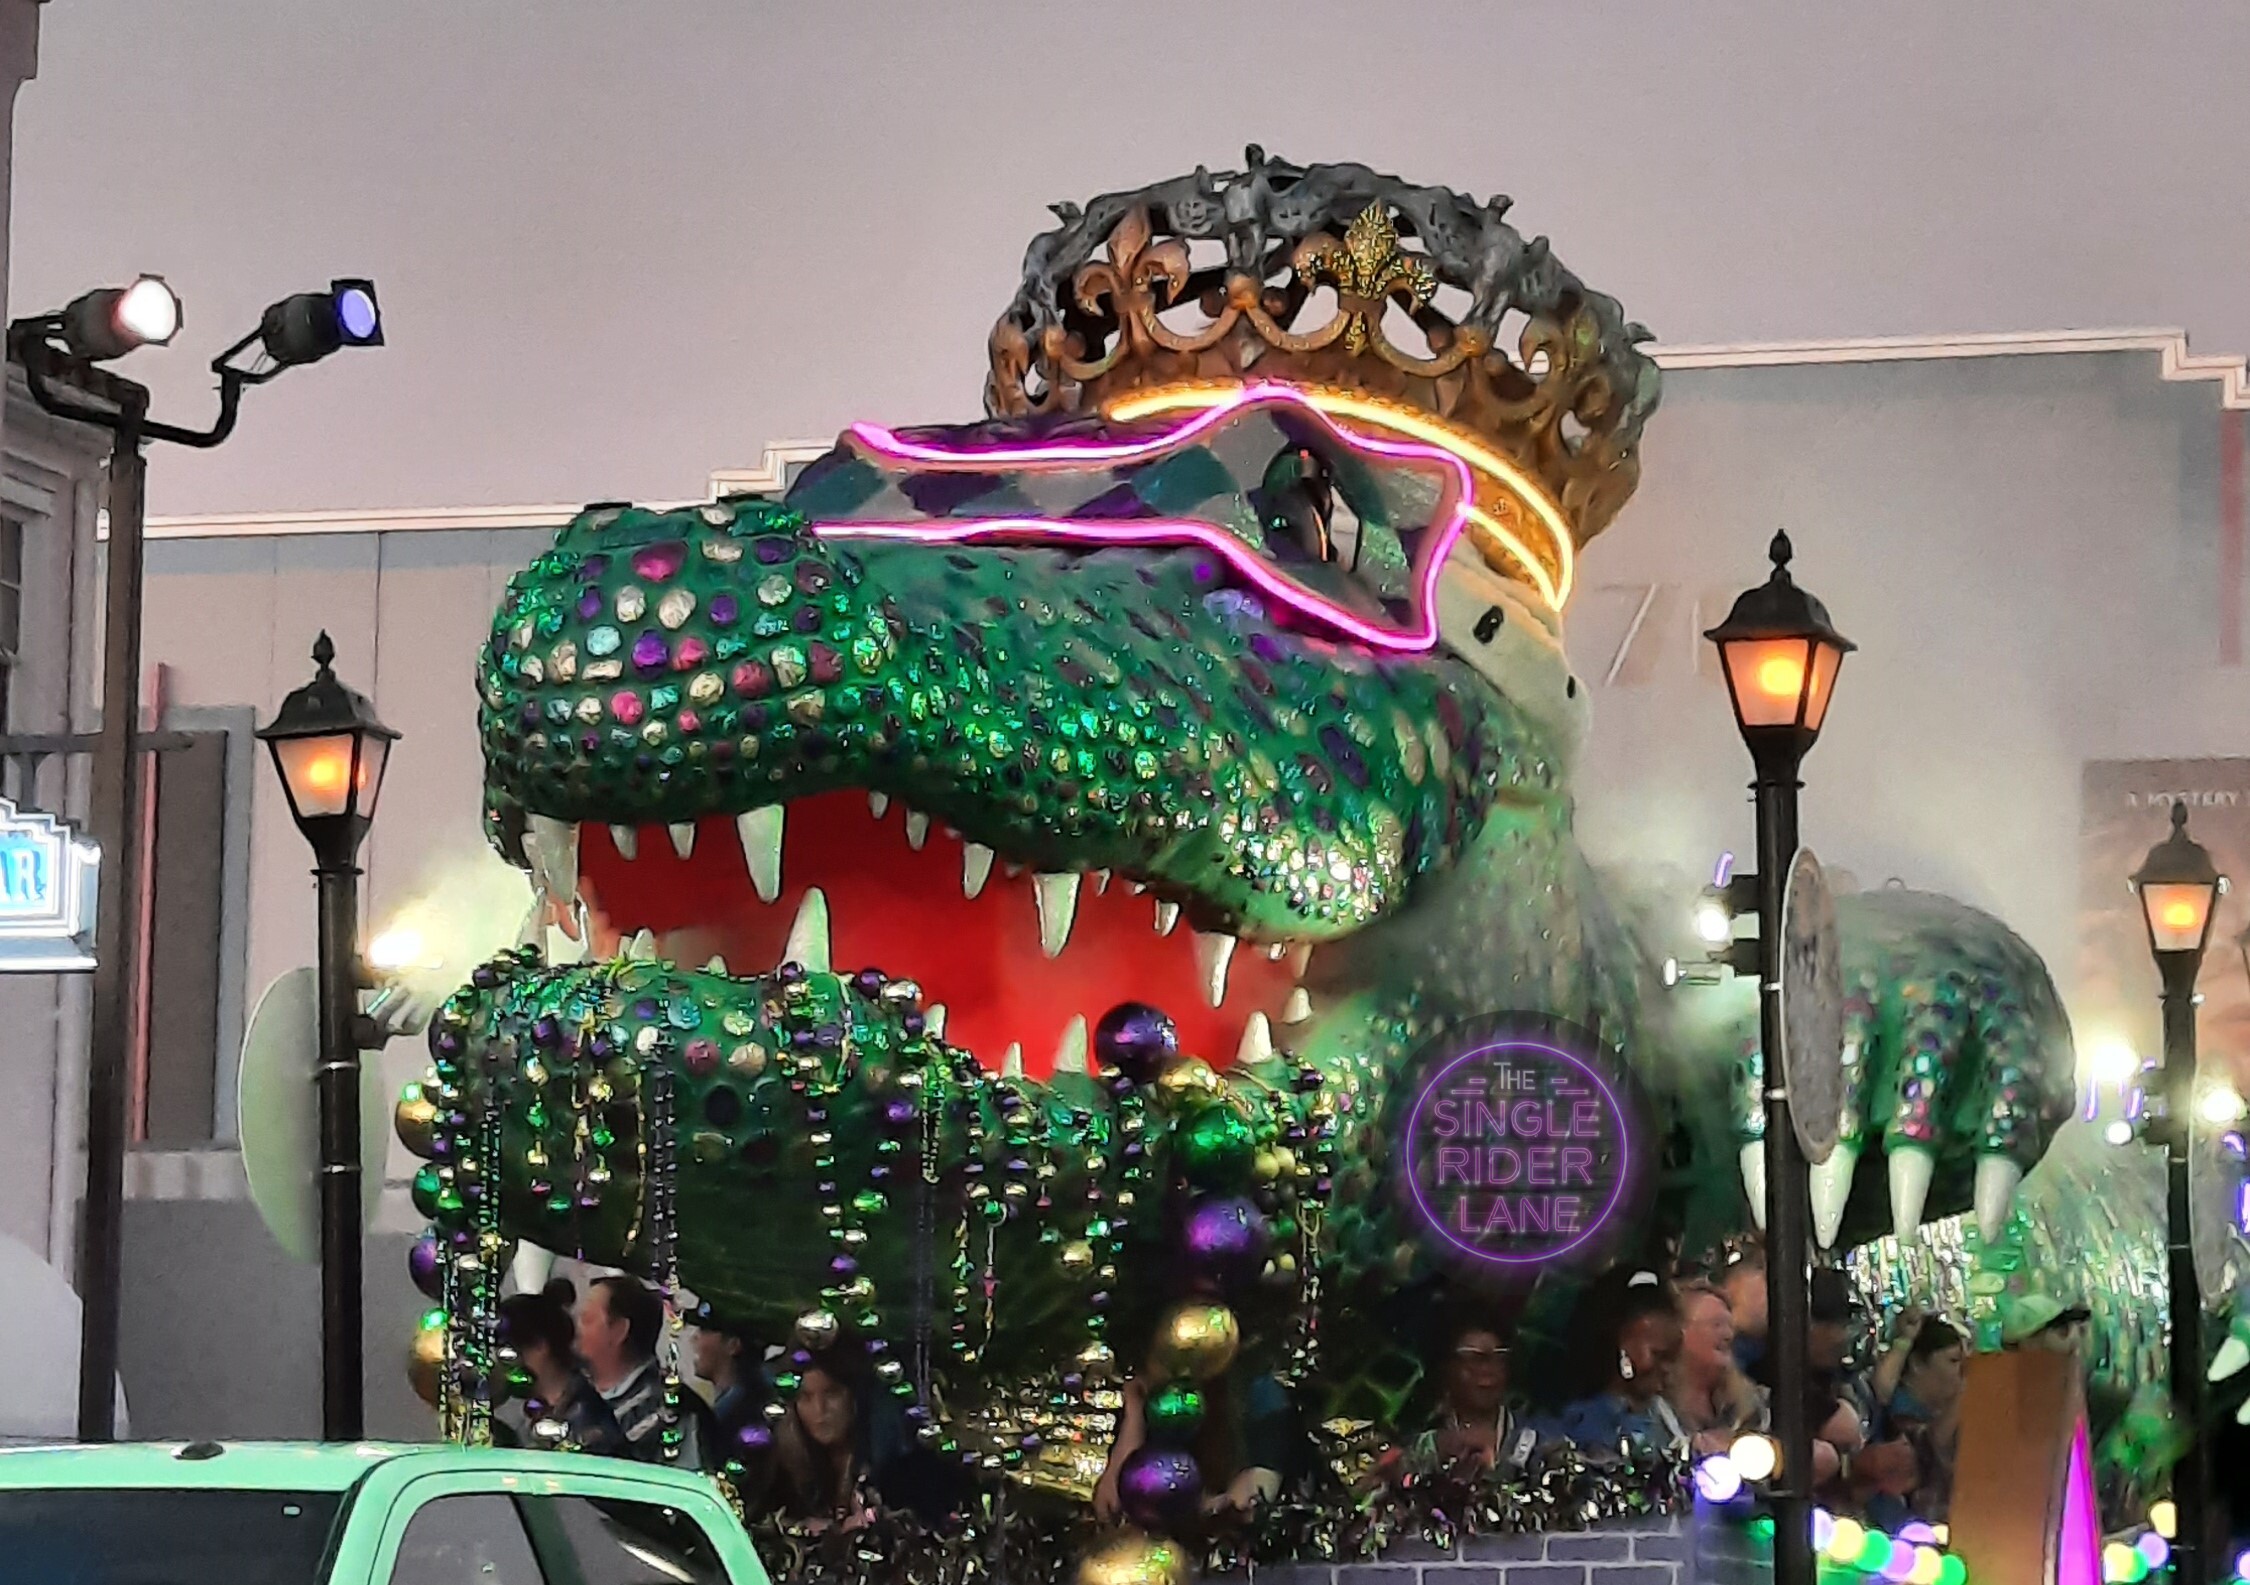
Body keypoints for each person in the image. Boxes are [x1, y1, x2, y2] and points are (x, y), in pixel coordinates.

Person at [1095, 1347, 1299, 1528]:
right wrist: (1135, 1414)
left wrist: (1195, 1512)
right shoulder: (1157, 1407)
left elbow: (1247, 1505)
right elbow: (1109, 1508)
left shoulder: (1256, 1391)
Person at [577, 1274, 712, 1468]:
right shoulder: (576, 1395)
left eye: (586, 1319)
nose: (576, 1329)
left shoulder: (670, 1409)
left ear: (619, 1331)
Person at [1551, 1275, 1689, 1455]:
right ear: (1622, 1341)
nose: (1668, 1369)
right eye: (1659, 1355)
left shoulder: (1665, 1418)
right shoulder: (1573, 1424)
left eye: (1673, 1358)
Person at [494, 1279, 628, 1456]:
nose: (501, 1368)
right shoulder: (550, 1410)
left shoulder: (584, 1427)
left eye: (507, 1357)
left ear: (540, 1347)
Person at [1406, 1310, 1540, 1477]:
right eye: (1474, 1359)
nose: (1487, 1370)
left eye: (1497, 1358)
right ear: (1447, 1368)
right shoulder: (1418, 1446)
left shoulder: (1536, 1443)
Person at [765, 1347, 880, 1531]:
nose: (820, 1410)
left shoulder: (881, 1466)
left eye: (832, 1393)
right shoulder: (783, 1472)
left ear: (854, 1397)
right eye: (806, 1397)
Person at [1669, 1283, 1767, 1455]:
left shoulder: (1752, 1401)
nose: (1728, 1335)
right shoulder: (1656, 1405)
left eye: (1730, 1326)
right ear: (1681, 1331)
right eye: (1717, 1325)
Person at [692, 1310, 770, 1453]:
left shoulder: (739, 1415)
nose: (695, 1337)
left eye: (705, 1331)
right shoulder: (742, 1402)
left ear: (733, 1345)